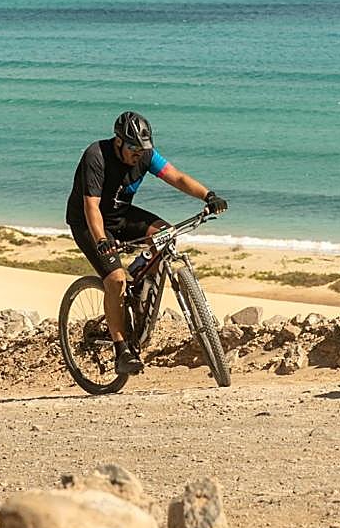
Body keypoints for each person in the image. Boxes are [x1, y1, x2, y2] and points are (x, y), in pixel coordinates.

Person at [66, 111, 227, 375]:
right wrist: (103, 241)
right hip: (88, 222)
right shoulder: (96, 155)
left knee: (166, 235)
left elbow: (177, 177)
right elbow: (91, 207)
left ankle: (140, 286)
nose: (138, 154)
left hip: (120, 216)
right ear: (118, 141)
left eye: (143, 148)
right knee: (116, 279)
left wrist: (208, 196)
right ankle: (121, 351)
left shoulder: (146, 155)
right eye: (133, 148)